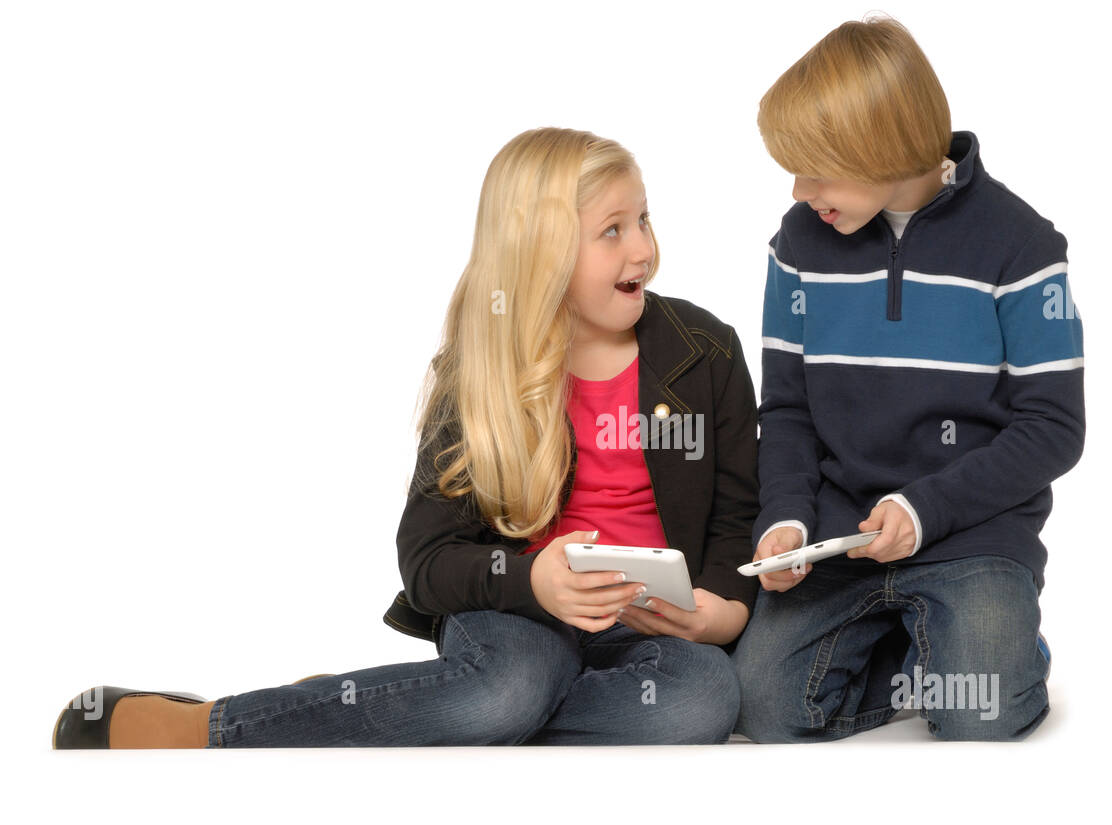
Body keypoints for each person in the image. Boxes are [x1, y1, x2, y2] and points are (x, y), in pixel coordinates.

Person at [53, 127, 759, 749]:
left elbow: (734, 521)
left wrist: (722, 606)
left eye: (644, 219)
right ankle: (218, 726)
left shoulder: (707, 352)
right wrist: (532, 580)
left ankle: (408, 709)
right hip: (517, 615)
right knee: (510, 687)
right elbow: (426, 561)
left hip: (645, 630)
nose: (644, 248)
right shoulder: (483, 369)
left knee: (702, 701)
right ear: (540, 254)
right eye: (613, 230)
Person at [734, 17, 1085, 742]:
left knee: (980, 713)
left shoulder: (1021, 245)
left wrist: (925, 508)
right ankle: (916, 651)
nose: (800, 191)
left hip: (972, 537)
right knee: (761, 709)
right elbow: (790, 408)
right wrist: (787, 520)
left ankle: (1000, 647)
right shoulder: (799, 242)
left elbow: (1053, 428)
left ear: (881, 148)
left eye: (817, 169)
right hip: (836, 541)